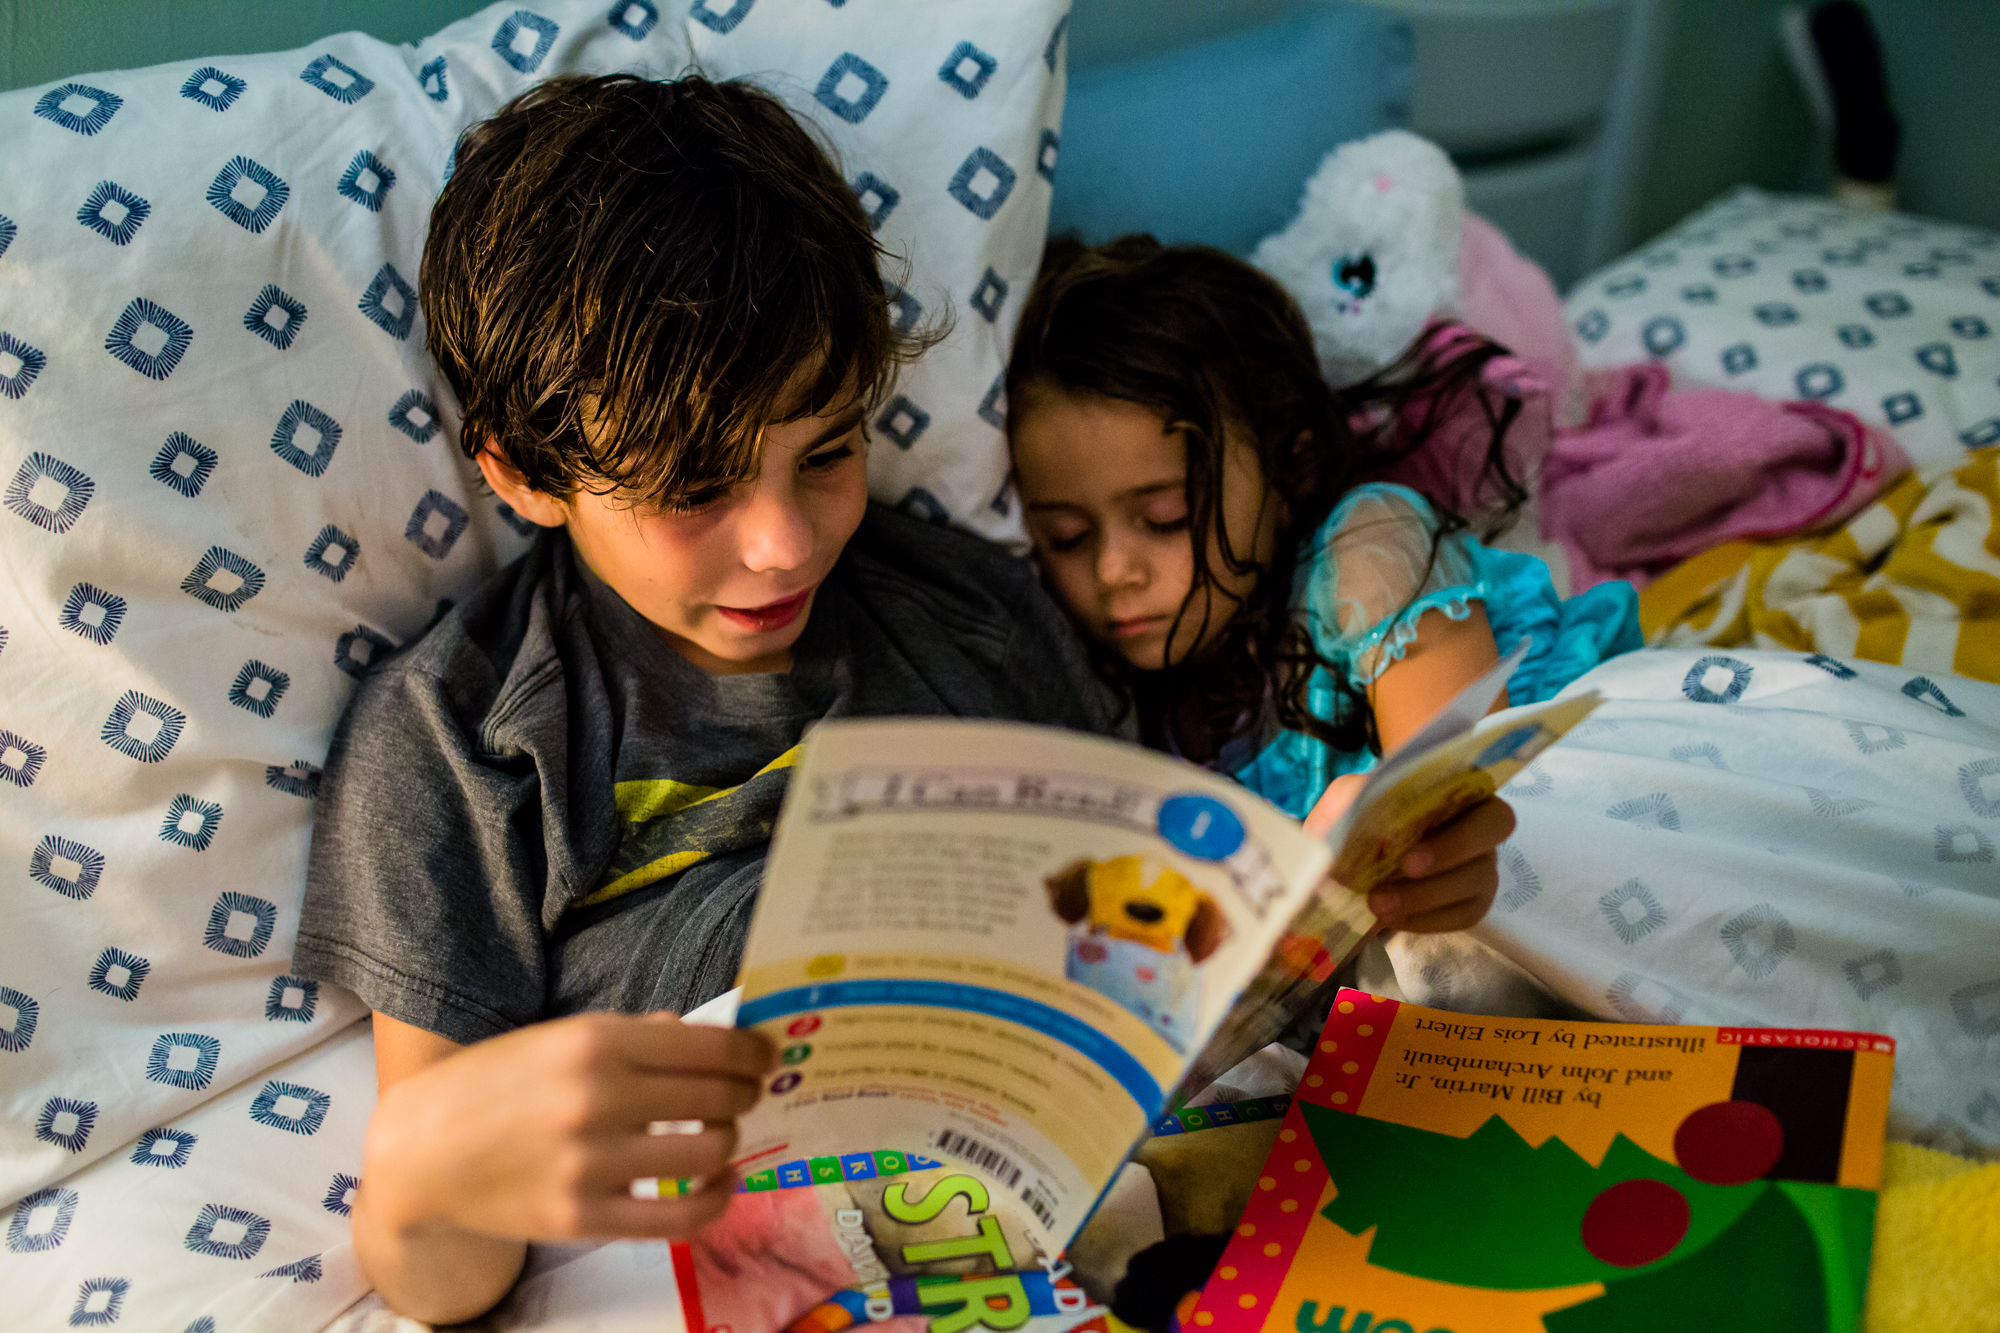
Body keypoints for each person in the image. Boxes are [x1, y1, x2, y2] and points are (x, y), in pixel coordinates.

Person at [293, 79, 1521, 1325]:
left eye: (825, 450)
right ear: (519, 470)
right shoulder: (459, 736)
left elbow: (1166, 943)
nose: (782, 542)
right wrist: (420, 1176)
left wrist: (1351, 898)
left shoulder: (966, 610)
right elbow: (442, 1272)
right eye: (692, 488)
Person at [1006, 236, 1642, 932]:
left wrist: (1401, 833)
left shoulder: (1368, 549)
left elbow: (1461, 789)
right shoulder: (1128, 699)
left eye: (1165, 518)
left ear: (1292, 471)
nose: (1112, 571)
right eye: (1065, 535)